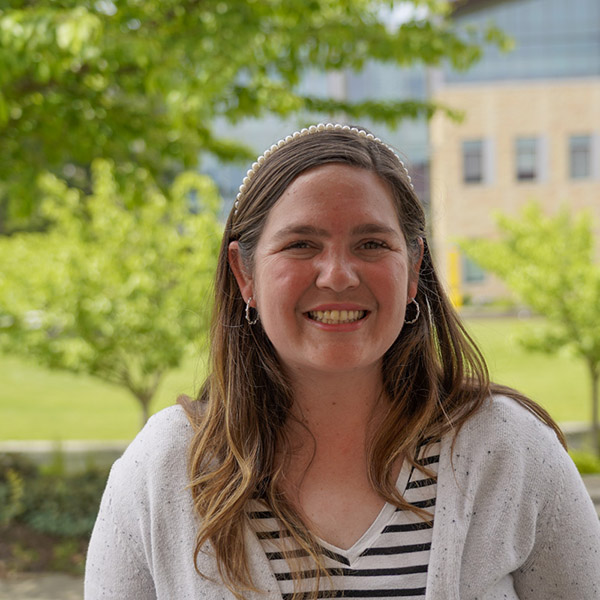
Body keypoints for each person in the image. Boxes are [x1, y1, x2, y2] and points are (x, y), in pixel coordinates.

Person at [85, 123, 600, 600]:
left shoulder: (509, 449)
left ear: (415, 265)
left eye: (371, 243)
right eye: (301, 244)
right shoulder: (166, 468)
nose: (337, 275)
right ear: (245, 276)